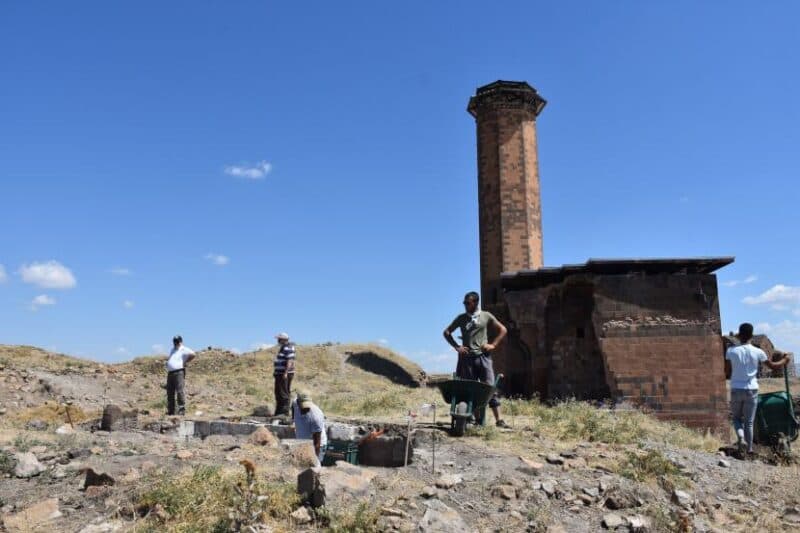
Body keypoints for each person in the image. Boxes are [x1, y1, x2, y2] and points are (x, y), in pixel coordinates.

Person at [443, 291, 509, 427]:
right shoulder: (461, 318)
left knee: (490, 387)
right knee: (469, 389)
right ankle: (473, 418)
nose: (465, 305)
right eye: (464, 303)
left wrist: (493, 345)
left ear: (475, 303)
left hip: (483, 357)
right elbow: (447, 332)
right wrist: (457, 347)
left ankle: (499, 420)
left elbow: (503, 329)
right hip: (467, 359)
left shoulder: (486, 316)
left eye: (468, 303)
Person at [725, 322, 791, 455]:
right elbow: (772, 366)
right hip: (752, 389)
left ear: (739, 336)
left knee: (737, 418)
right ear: (751, 335)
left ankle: (741, 439)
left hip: (736, 388)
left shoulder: (731, 351)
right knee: (749, 422)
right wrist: (785, 360)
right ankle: (749, 450)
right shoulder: (758, 351)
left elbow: (726, 370)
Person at [292, 391, 327, 465]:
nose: (306, 409)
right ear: (298, 403)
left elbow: (317, 443)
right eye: (303, 406)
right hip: (301, 443)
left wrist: (315, 461)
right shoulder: (295, 403)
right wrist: (293, 419)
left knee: (312, 468)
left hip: (317, 446)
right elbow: (293, 404)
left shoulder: (316, 417)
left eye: (307, 406)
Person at [165, 335, 196, 416]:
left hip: (179, 372)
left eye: (177, 341)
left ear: (180, 342)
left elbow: (193, 354)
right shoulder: (172, 349)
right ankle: (171, 411)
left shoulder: (184, 349)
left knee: (179, 391)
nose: (175, 343)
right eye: (174, 341)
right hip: (170, 373)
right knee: (170, 392)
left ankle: (181, 409)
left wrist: (185, 361)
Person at [273, 332, 296, 416]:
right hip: (279, 373)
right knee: (278, 392)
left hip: (284, 374)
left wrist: (285, 373)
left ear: (283, 339)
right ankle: (279, 412)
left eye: (279, 339)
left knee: (283, 393)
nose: (278, 340)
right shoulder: (283, 347)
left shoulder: (289, 347)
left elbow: (290, 361)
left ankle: (284, 413)